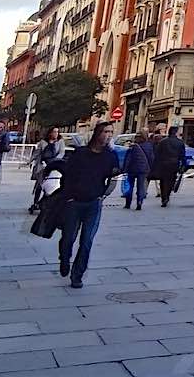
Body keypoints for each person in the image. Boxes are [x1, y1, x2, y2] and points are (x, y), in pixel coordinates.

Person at [48, 120, 120, 289]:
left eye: (110, 132)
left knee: (86, 241)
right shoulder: (81, 154)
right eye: (105, 132)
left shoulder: (110, 156)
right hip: (74, 202)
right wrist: (68, 197)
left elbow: (114, 176)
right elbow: (68, 175)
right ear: (97, 133)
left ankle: (77, 275)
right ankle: (64, 258)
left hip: (93, 204)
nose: (108, 135)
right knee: (68, 238)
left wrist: (103, 195)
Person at [29, 127, 66, 214]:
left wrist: (55, 161)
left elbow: (62, 153)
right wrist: (30, 160)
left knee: (51, 185)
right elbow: (37, 152)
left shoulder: (60, 142)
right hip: (43, 166)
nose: (56, 134)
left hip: (54, 166)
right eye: (54, 132)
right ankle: (35, 202)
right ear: (50, 133)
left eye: (57, 132)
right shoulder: (43, 142)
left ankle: (45, 202)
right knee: (39, 185)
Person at [152, 126, 186, 206]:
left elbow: (157, 154)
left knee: (163, 181)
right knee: (171, 180)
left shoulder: (163, 142)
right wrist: (183, 166)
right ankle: (167, 195)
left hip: (163, 164)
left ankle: (164, 197)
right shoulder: (180, 142)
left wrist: (156, 165)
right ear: (176, 132)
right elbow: (182, 155)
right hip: (174, 164)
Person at [121, 132, 153, 210]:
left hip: (132, 169)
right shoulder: (148, 146)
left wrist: (124, 168)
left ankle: (128, 203)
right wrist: (149, 168)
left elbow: (128, 158)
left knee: (130, 186)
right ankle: (139, 202)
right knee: (140, 186)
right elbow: (151, 158)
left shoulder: (132, 147)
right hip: (143, 169)